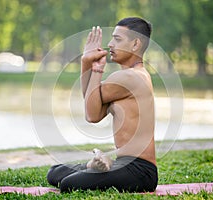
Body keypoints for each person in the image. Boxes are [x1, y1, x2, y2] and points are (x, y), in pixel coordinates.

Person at [47, 17, 157, 193]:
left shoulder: (130, 78)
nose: (110, 44)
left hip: (140, 171)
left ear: (136, 44)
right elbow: (95, 111)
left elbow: (90, 114)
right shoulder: (127, 77)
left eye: (117, 39)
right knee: (54, 172)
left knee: (68, 184)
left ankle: (100, 166)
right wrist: (86, 62)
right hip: (123, 164)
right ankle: (98, 164)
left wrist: (96, 69)